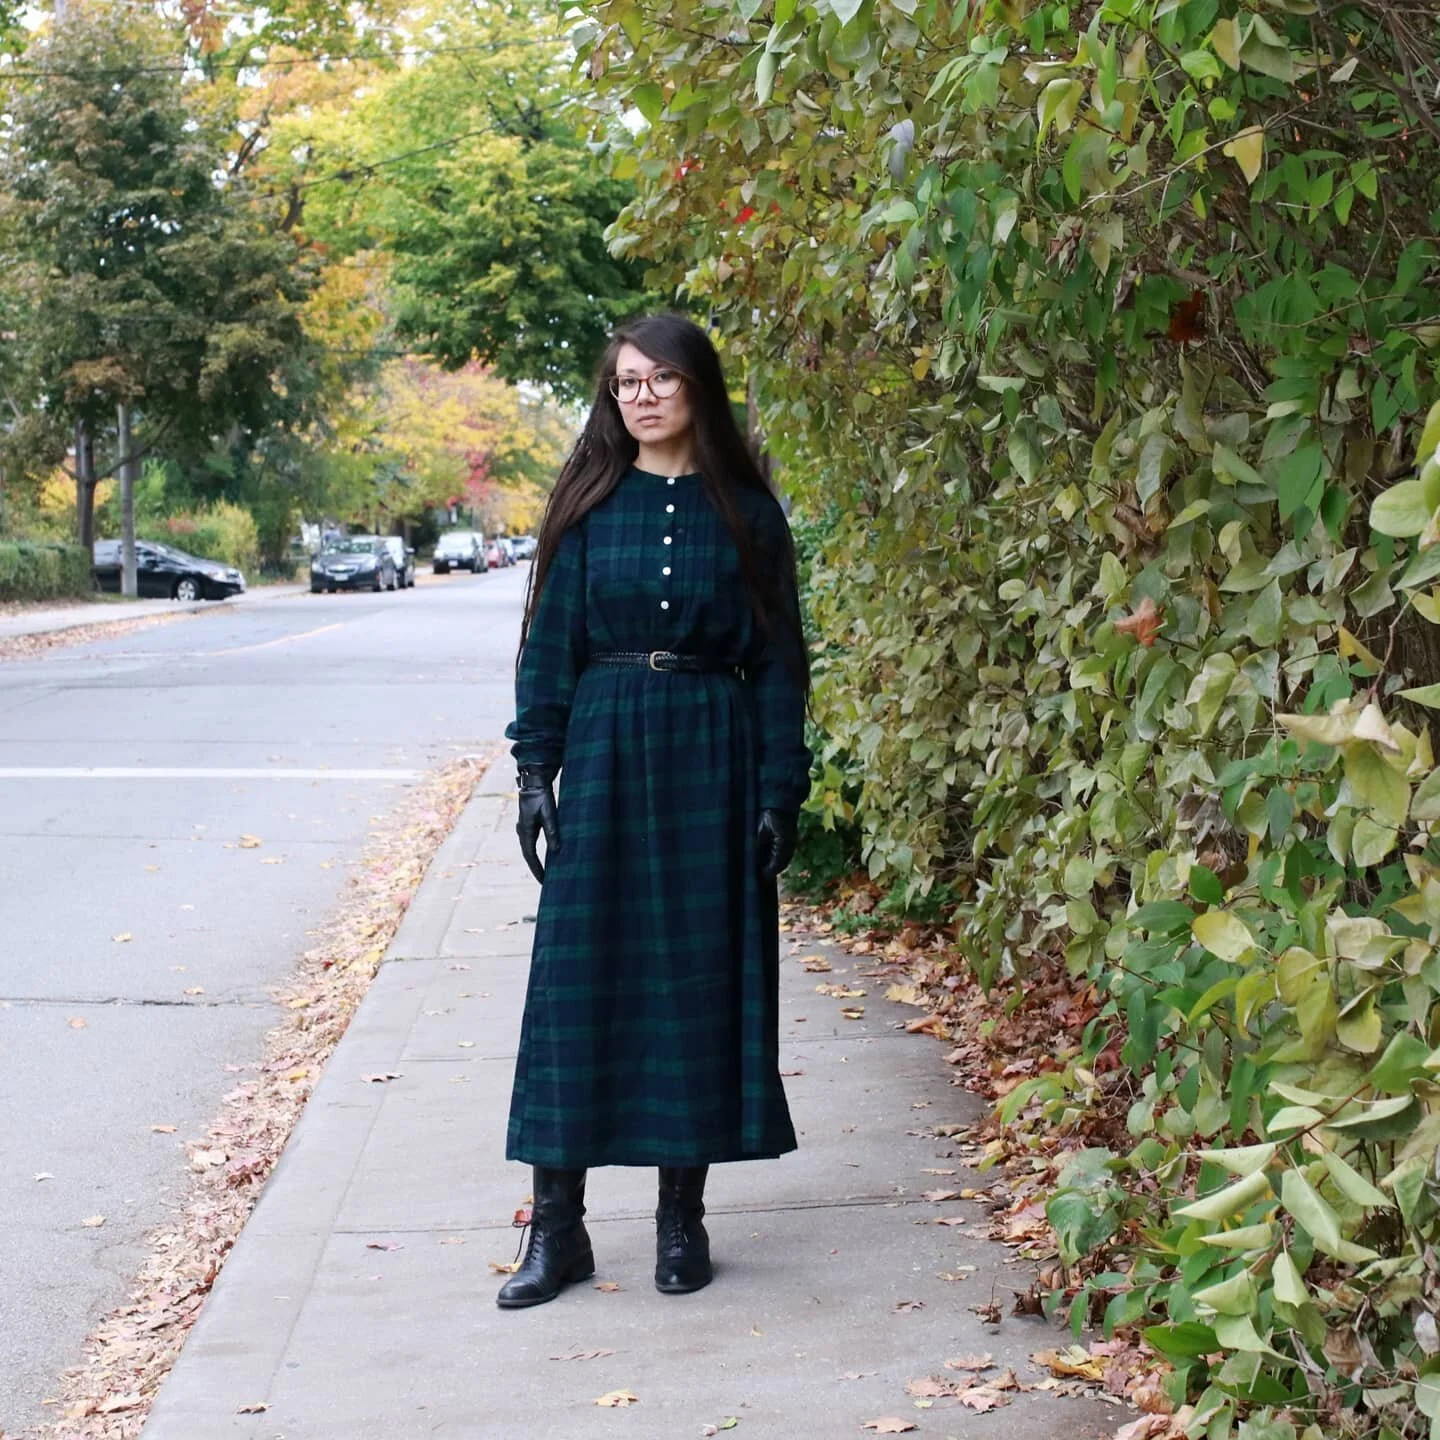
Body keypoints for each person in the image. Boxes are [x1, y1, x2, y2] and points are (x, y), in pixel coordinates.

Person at [498, 313, 813, 1309]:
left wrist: (778, 790)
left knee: (695, 981)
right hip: (603, 749)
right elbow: (550, 649)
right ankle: (559, 1231)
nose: (640, 395)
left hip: (711, 756)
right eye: (626, 381)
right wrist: (535, 772)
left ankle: (683, 1221)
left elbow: (777, 666)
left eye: (660, 378)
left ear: (697, 391)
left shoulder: (750, 515)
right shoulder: (589, 507)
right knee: (574, 987)